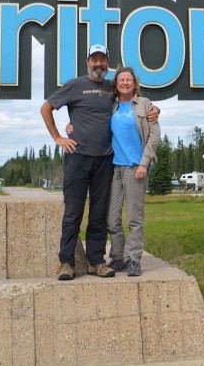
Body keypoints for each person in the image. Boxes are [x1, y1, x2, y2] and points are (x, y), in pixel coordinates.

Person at [40, 45, 158, 281]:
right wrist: (58, 137)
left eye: (102, 60)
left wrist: (155, 108)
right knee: (73, 213)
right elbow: (46, 107)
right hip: (77, 159)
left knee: (98, 215)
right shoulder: (75, 85)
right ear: (87, 62)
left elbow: (131, 102)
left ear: (107, 64)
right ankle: (66, 263)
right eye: (94, 60)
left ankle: (97, 261)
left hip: (106, 161)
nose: (98, 64)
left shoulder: (111, 89)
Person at [105, 66, 160, 277]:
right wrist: (72, 126)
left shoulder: (144, 104)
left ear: (134, 83)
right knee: (112, 219)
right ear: (116, 84)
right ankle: (118, 258)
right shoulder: (111, 105)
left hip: (136, 168)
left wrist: (144, 164)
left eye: (128, 79)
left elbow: (154, 136)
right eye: (121, 80)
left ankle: (134, 259)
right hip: (114, 169)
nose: (125, 83)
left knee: (134, 219)